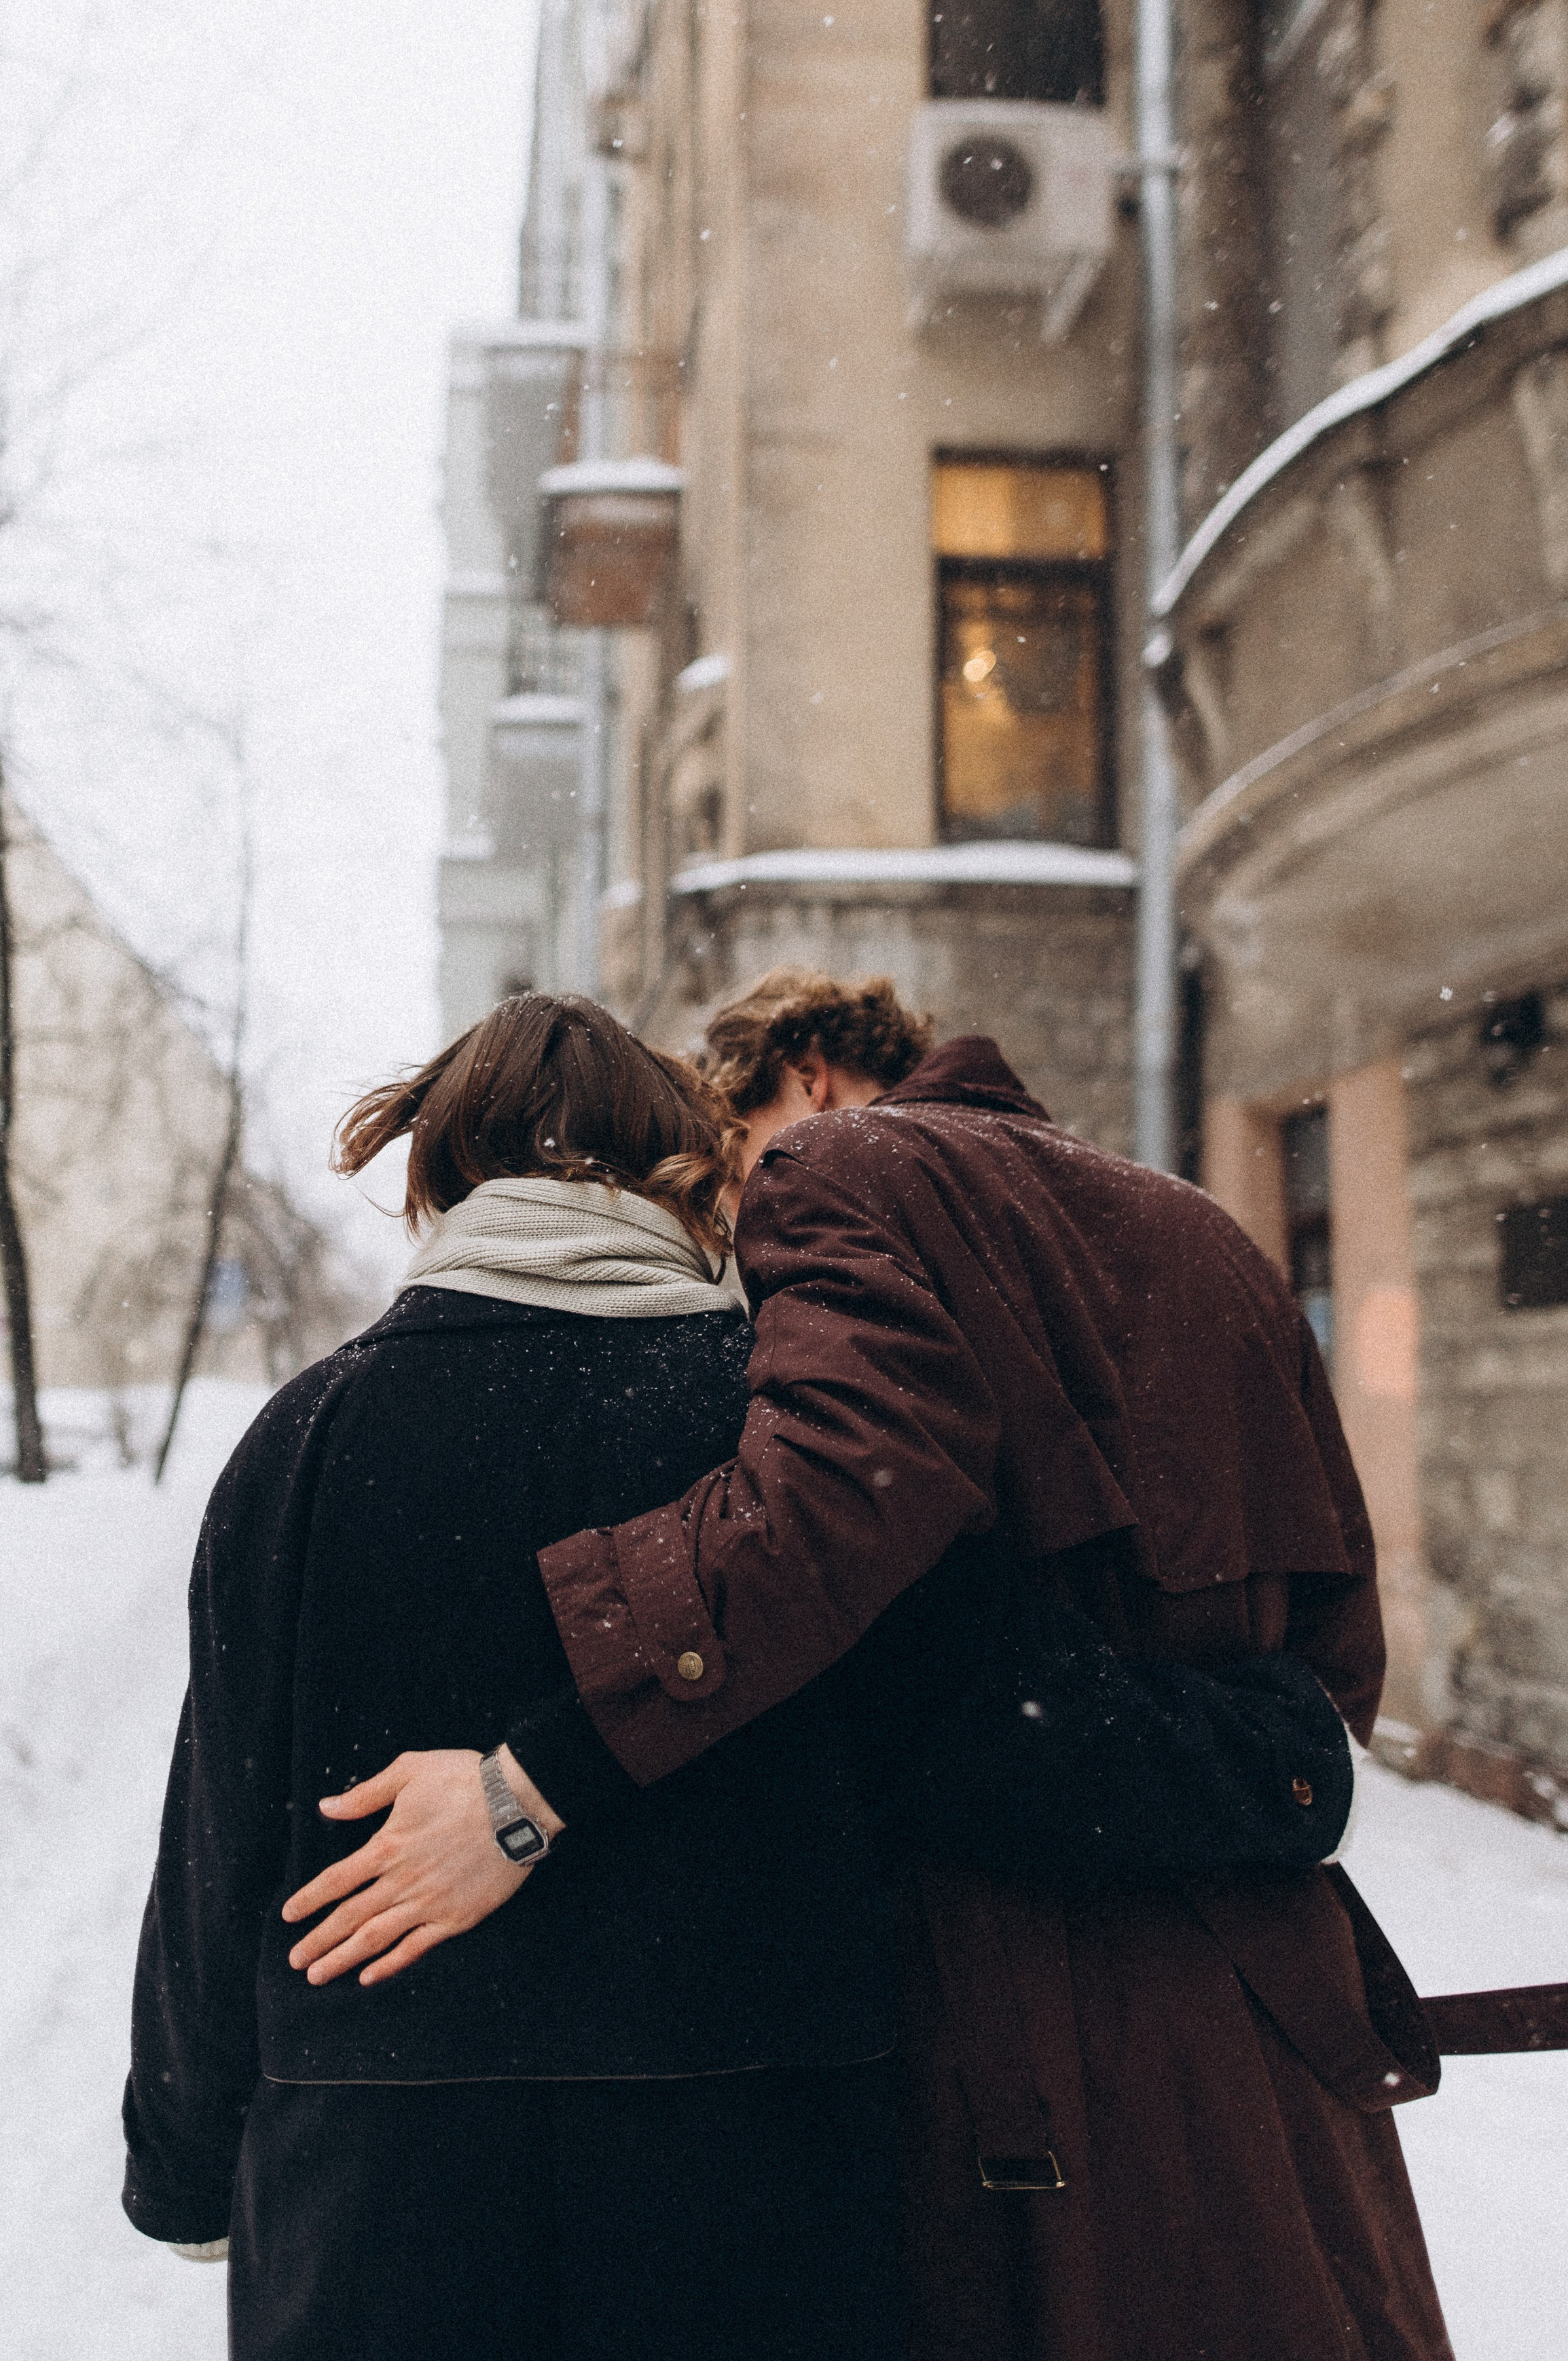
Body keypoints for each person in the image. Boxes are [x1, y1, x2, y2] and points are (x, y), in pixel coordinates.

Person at [126, 989, 1357, 2361]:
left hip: (371, 2198)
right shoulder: (778, 1426)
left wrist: (182, 2161)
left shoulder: (301, 1442)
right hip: (748, 2199)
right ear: (681, 1169)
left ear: (435, 1177)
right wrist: (1273, 1762)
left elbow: (214, 1848)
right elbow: (992, 1733)